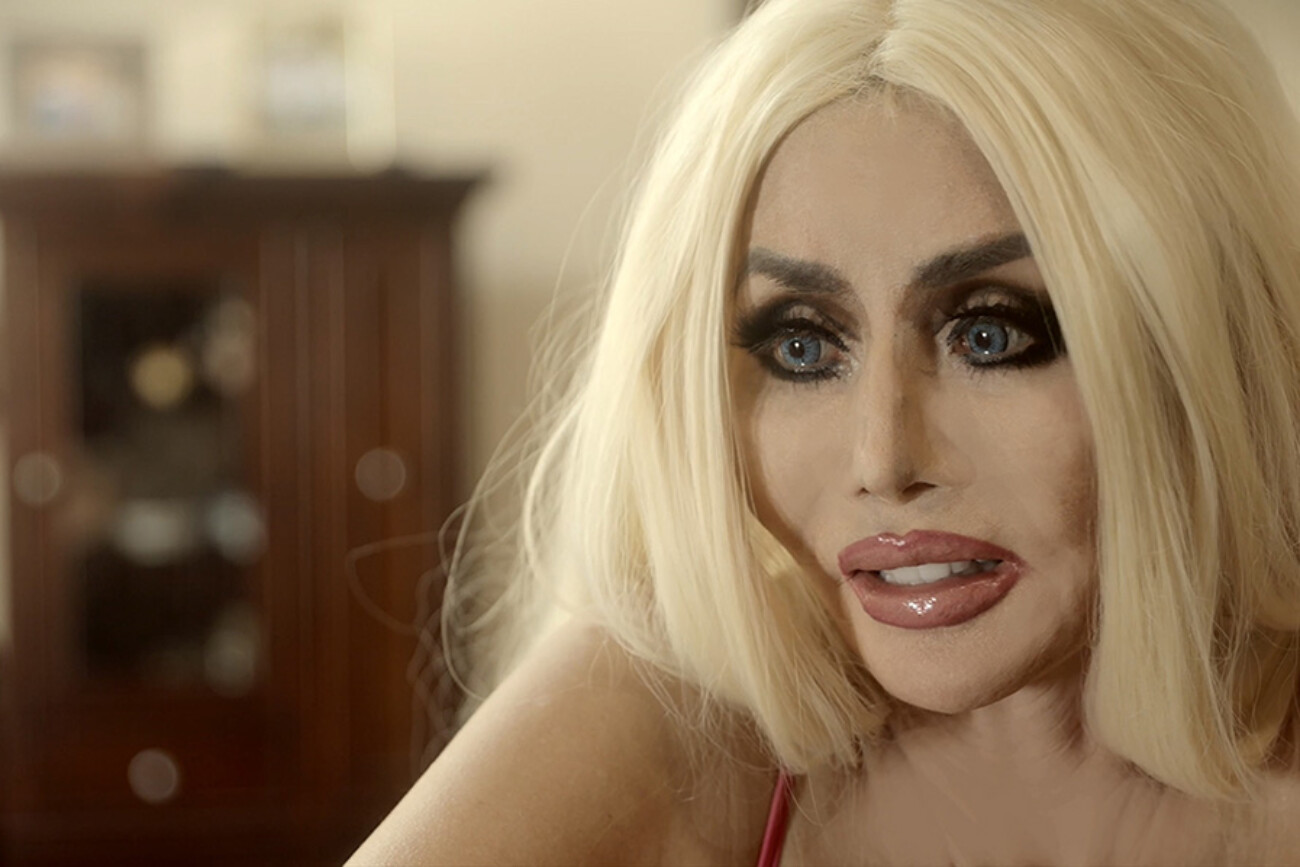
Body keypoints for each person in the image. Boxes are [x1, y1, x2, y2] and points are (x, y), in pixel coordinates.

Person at [349, 0, 1300, 863]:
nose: (884, 460)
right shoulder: (687, 718)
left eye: (991, 334)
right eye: (800, 347)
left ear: (1204, 351)